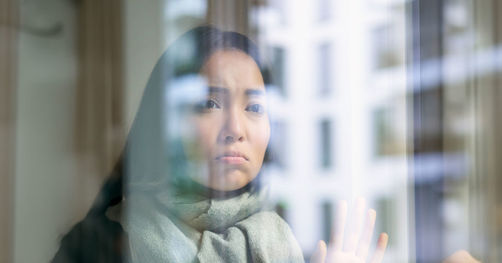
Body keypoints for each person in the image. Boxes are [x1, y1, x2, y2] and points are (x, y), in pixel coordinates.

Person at [52, 26, 388, 263]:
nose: (235, 129)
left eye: (255, 108)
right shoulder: (99, 244)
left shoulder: (282, 245)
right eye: (210, 103)